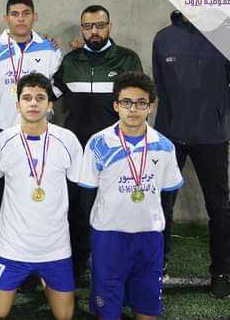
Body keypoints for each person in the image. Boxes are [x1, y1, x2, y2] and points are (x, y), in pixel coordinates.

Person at [153, 10, 230, 298]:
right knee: (160, 204)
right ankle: (157, 266)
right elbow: (161, 86)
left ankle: (220, 272)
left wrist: (216, 115)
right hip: (170, 136)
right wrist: (171, 119)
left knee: (218, 206)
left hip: (212, 138)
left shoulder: (228, 36)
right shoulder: (164, 38)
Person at [79, 72, 183, 320]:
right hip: (109, 236)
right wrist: (104, 221)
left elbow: (168, 196)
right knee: (108, 312)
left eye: (140, 103)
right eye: (126, 102)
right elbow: (87, 194)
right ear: (116, 105)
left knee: (147, 310)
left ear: (151, 106)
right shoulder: (98, 143)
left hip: (149, 237)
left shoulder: (165, 146)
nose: (133, 109)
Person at [53, 5, 142, 282]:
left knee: (116, 210)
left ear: (110, 26)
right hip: (78, 152)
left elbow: (139, 104)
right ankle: (77, 265)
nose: (94, 31)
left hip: (116, 152)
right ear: (82, 28)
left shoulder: (127, 59)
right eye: (88, 26)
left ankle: (116, 267)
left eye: (100, 25)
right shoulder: (70, 61)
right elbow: (48, 93)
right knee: (78, 211)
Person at [0, 73, 82, 320]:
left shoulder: (68, 141)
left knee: (65, 316)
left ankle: (46, 278)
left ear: (50, 105)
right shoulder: (2, 141)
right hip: (13, 246)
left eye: (40, 98)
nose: (33, 103)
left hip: (55, 247)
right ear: (17, 104)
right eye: (27, 98)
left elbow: (75, 192)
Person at [0, 0, 61, 232]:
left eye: (26, 14)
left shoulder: (49, 49)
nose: (20, 19)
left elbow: (56, 86)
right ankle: (3, 235)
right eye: (15, 14)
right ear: (5, 18)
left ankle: (33, 231)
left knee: (35, 182)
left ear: (34, 17)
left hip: (37, 130)